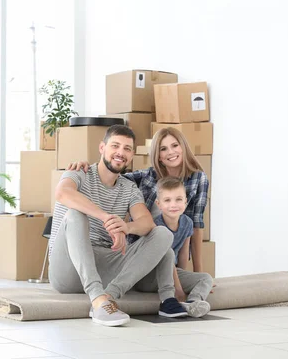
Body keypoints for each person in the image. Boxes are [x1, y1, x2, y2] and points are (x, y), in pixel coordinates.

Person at [49, 124, 187, 327]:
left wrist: (126, 227)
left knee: (163, 234)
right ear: (102, 148)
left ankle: (110, 297)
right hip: (68, 268)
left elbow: (146, 222)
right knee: (75, 215)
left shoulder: (129, 188)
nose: (120, 153)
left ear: (131, 156)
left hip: (105, 264)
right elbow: (62, 193)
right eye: (115, 146)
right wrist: (106, 218)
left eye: (127, 149)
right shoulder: (79, 172)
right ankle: (97, 300)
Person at [69, 127, 209, 273]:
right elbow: (111, 173)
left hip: (174, 249)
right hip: (145, 246)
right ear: (158, 156)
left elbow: (196, 226)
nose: (170, 152)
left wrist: (198, 271)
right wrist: (87, 167)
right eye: (163, 149)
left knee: (199, 279)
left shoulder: (198, 179)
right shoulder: (146, 177)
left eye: (175, 145)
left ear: (183, 147)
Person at [153, 176, 213, 317]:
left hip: (174, 272)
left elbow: (183, 253)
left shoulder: (187, 223)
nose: (173, 205)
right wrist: (178, 289)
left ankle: (193, 302)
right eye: (167, 200)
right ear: (158, 204)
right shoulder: (156, 225)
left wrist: (184, 275)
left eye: (178, 199)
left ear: (186, 202)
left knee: (206, 278)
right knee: (168, 254)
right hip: (155, 274)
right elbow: (167, 258)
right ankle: (180, 299)